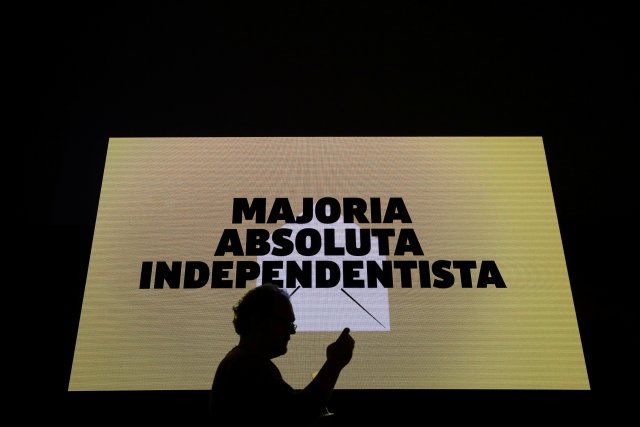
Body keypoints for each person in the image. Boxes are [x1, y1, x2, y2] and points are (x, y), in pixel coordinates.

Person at [210, 283, 355, 425]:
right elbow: (299, 413)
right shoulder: (248, 366)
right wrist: (334, 363)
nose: (292, 331)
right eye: (287, 322)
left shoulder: (239, 361)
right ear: (258, 319)